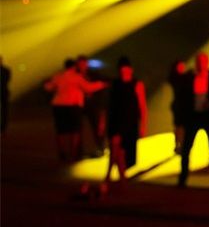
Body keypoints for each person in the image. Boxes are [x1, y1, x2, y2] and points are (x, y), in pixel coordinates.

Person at [44, 58, 107, 162]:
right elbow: (88, 87)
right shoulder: (76, 77)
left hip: (58, 106)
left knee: (61, 131)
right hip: (73, 106)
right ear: (74, 67)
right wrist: (101, 84)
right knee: (75, 131)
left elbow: (48, 87)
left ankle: (62, 153)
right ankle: (74, 153)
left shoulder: (58, 76)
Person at [178, 52, 209, 189]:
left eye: (203, 61)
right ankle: (183, 178)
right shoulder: (190, 78)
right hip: (193, 117)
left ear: (207, 63)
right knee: (186, 148)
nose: (201, 64)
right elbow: (184, 98)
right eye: (199, 61)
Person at [104, 57, 147, 189]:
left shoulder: (137, 84)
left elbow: (142, 105)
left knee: (121, 151)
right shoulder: (115, 84)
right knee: (115, 147)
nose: (124, 72)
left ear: (130, 70)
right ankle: (115, 176)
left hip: (129, 121)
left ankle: (117, 177)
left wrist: (143, 124)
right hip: (116, 120)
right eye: (122, 70)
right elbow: (109, 104)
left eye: (126, 70)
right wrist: (103, 120)